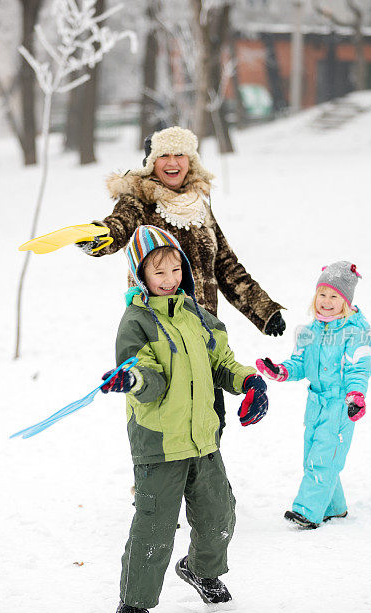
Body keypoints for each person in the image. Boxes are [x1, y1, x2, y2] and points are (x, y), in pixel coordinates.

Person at [101, 224, 268, 613]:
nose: (170, 279)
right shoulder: (137, 322)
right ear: (140, 276)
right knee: (154, 528)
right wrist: (133, 380)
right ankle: (133, 605)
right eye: (159, 272)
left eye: (176, 268)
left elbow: (222, 363)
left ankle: (199, 571)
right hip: (160, 444)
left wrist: (249, 382)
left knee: (219, 517)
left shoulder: (196, 315)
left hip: (203, 440)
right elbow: (149, 378)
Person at [77, 125, 285, 433]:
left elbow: (226, 263)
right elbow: (118, 226)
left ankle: (206, 481)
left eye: (180, 154)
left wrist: (264, 310)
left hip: (202, 329)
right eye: (164, 155)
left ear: (191, 160)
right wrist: (99, 236)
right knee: (165, 415)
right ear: (151, 161)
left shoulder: (198, 203)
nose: (172, 162)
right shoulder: (139, 201)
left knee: (209, 419)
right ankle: (157, 482)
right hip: (159, 330)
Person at [257, 261, 371, 529]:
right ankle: (334, 507)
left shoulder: (354, 332)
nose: (326, 301)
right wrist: (281, 371)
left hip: (340, 405)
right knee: (316, 455)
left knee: (322, 458)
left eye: (334, 296)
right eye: (322, 294)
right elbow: (299, 363)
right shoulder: (310, 331)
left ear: (345, 301)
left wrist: (356, 395)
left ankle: (308, 510)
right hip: (316, 403)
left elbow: (359, 368)